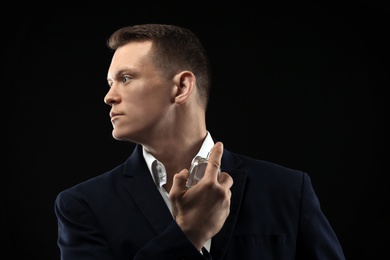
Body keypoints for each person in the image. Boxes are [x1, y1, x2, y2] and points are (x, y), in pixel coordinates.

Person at [54, 23, 345, 259]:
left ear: (181, 86)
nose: (109, 96)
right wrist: (189, 233)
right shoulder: (83, 206)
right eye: (110, 83)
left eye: (126, 78)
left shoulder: (289, 191)